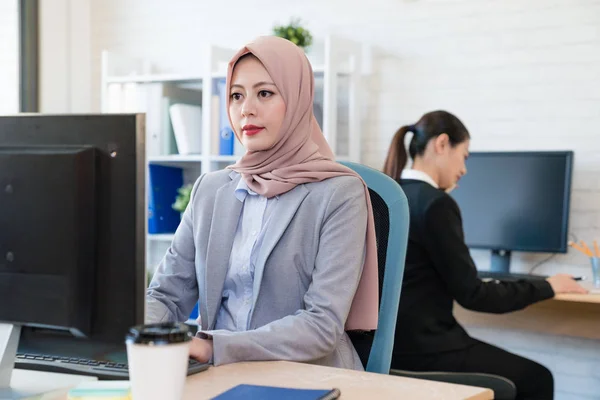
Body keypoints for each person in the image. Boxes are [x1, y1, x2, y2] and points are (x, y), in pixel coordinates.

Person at [145, 36, 380, 370]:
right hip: (218, 373)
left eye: (265, 93)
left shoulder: (339, 193)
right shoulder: (210, 190)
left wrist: (215, 346)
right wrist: (131, 331)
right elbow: (166, 295)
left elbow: (321, 325)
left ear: (298, 99)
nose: (247, 109)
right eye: (236, 95)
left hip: (307, 375)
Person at [382, 110, 588, 400]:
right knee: (537, 378)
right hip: (426, 351)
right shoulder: (436, 204)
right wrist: (549, 286)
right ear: (442, 144)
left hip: (385, 353)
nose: (465, 170)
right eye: (464, 156)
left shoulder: (384, 194)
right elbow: (474, 295)